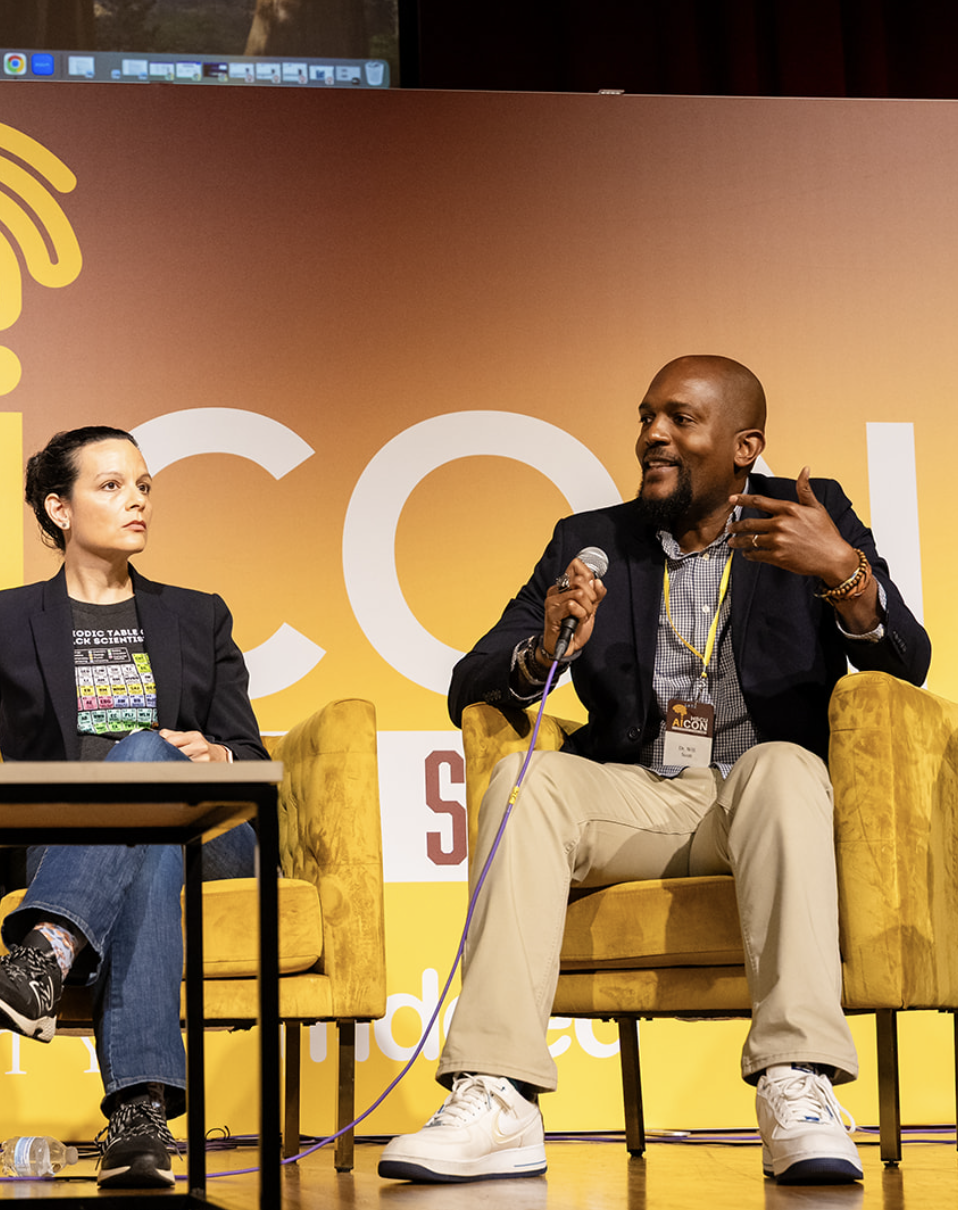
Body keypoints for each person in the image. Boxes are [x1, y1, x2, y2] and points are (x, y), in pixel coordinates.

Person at [379, 356, 928, 1187]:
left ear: (745, 446)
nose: (652, 436)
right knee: (523, 784)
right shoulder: (592, 541)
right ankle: (497, 1097)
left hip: (761, 792)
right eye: (646, 418)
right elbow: (473, 677)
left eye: (679, 419)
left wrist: (840, 571)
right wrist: (542, 645)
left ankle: (798, 1085)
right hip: (639, 794)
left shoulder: (810, 515)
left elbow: (907, 660)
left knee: (781, 765)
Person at [0, 425, 266, 1189]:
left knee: (146, 756)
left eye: (143, 486)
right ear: (58, 508)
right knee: (145, 854)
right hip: (68, 841)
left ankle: (43, 953)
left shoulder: (198, 615)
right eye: (111, 486)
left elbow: (246, 754)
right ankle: (138, 1119)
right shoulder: (5, 618)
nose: (137, 501)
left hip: (204, 838)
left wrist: (216, 757)